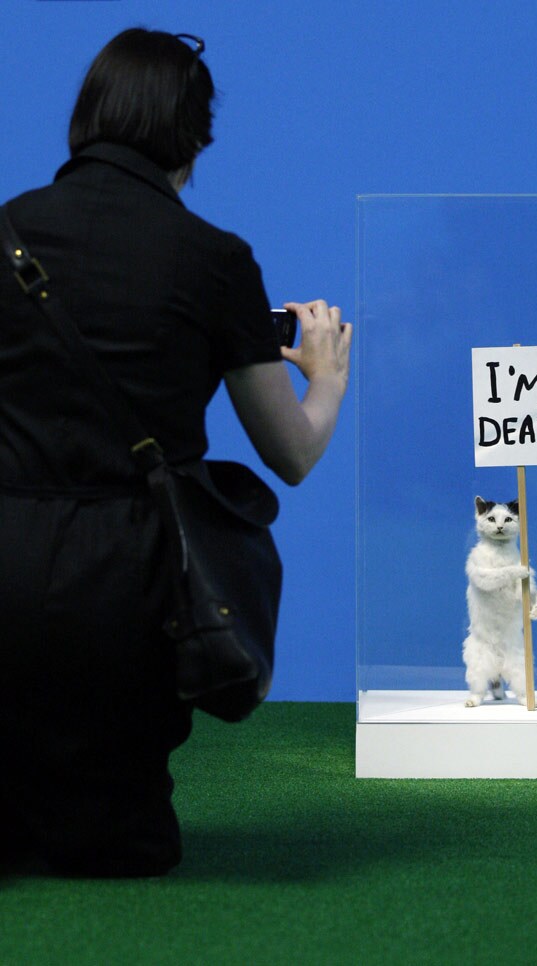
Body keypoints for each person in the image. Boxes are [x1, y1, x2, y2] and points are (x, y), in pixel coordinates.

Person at [0, 28, 351, 877]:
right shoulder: (215, 260)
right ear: (194, 138)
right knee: (127, 841)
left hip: (6, 560)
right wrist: (328, 374)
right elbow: (290, 453)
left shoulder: (7, 234)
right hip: (135, 584)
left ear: (85, 122)